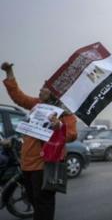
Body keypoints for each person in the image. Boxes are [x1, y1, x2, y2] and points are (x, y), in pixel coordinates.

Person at [1, 62, 77, 220]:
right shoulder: (37, 105)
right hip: (27, 164)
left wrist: (59, 126)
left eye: (45, 87)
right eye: (42, 86)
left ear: (55, 93)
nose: (41, 89)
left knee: (43, 204)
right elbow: (18, 97)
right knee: (35, 202)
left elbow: (71, 134)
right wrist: (9, 72)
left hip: (45, 165)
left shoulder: (65, 112)